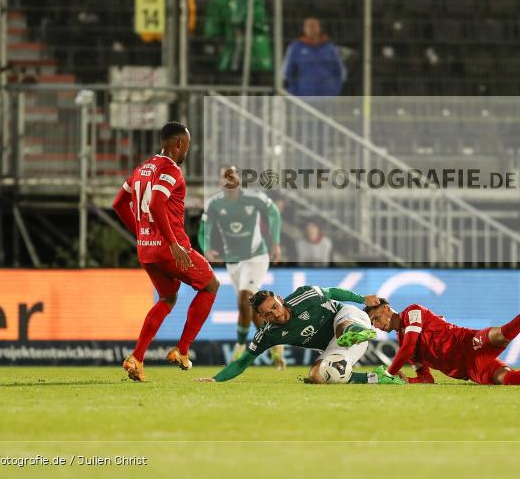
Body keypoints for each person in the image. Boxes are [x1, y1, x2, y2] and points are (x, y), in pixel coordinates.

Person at [111, 121, 220, 382]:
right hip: (171, 248)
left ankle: (136, 358)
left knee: (167, 298)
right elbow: (158, 203)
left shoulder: (141, 168)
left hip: (146, 250)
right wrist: (172, 243)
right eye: (187, 146)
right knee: (211, 285)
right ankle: (182, 351)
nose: (187, 152)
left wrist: (140, 233)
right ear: (179, 143)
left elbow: (118, 203)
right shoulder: (171, 170)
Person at [365, 284, 520, 385]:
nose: (375, 325)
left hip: (469, 342)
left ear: (386, 309)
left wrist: (389, 372)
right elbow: (427, 378)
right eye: (372, 323)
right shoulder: (406, 345)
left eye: (375, 318)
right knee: (509, 379)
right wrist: (409, 380)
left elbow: (407, 346)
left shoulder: (412, 312)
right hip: (470, 369)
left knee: (504, 332)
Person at [196, 287, 405, 385]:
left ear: (279, 299)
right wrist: (215, 380)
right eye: (268, 314)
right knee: (317, 376)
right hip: (337, 347)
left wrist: (361, 298)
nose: (276, 314)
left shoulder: (304, 296)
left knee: (342, 327)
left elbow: (332, 292)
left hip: (350, 317)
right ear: (261, 317)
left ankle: (354, 333)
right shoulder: (267, 335)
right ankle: (377, 377)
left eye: (275, 307)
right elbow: (242, 363)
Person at [199, 165, 285, 367]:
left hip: (255, 257)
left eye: (233, 174)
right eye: (225, 176)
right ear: (221, 181)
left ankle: (239, 350)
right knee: (252, 310)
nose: (230, 179)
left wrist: (275, 242)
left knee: (243, 298)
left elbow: (273, 213)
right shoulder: (213, 204)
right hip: (233, 262)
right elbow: (204, 229)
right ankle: (275, 346)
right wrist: (207, 249)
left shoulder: (253, 198)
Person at [203, 0, 273, 74]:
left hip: (249, 40)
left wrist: (243, 26)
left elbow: (259, 17)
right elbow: (213, 22)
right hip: (229, 41)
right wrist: (217, 40)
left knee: (252, 69)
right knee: (228, 68)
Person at [281, 17, 347, 97]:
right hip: (304, 96)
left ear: (319, 28)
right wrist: (295, 92)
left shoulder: (330, 48)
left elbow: (339, 71)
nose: (312, 29)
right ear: (304, 29)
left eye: (314, 26)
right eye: (309, 26)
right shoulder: (295, 48)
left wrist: (334, 90)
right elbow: (288, 73)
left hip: (327, 96)